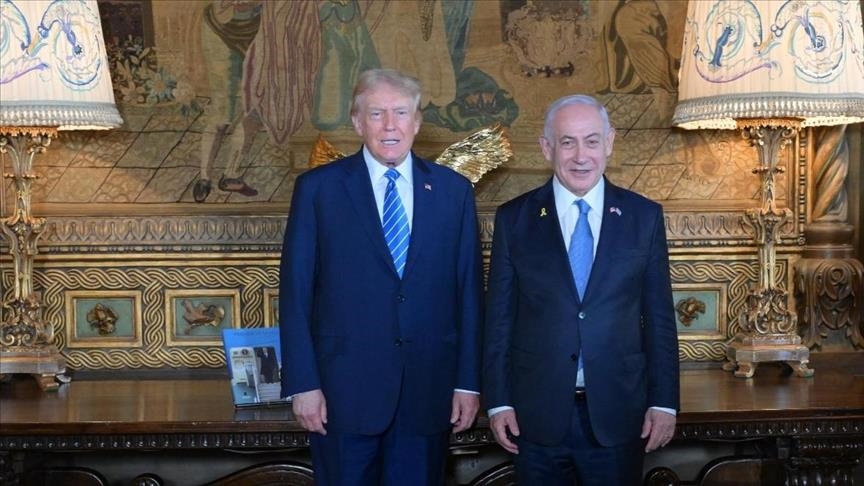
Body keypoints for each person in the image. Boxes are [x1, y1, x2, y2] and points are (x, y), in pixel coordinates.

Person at [279, 68, 483, 486]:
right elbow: (295, 292)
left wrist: (468, 383)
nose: (390, 125)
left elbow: (468, 293)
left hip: (428, 394)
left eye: (401, 112)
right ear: (358, 122)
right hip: (340, 397)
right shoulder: (319, 189)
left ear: (417, 121)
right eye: (376, 114)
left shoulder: (453, 191)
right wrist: (303, 384)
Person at [483, 94, 680, 485]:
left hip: (619, 413)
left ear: (609, 143)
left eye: (591, 141)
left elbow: (659, 318)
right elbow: (499, 320)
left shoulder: (643, 217)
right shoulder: (515, 219)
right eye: (567, 142)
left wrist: (665, 402)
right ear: (547, 148)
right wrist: (498, 401)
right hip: (534, 417)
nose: (580, 156)